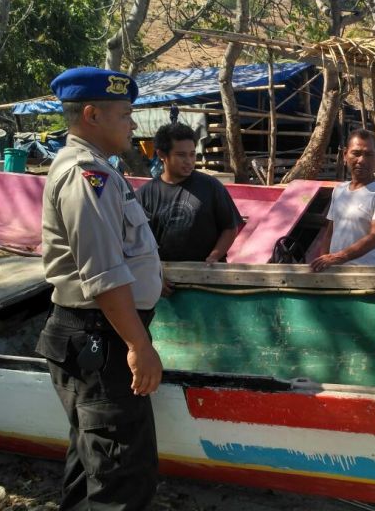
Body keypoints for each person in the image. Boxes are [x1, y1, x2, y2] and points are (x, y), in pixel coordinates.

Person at [36, 67, 163, 509]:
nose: (132, 124)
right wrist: (138, 344)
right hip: (100, 339)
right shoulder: (85, 175)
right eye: (125, 114)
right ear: (92, 114)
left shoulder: (99, 170)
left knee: (93, 460)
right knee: (121, 475)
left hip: (96, 335)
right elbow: (103, 274)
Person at [136, 122, 241, 265]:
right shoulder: (145, 194)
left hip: (207, 277)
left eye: (192, 154)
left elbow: (230, 227)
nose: (189, 161)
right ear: (161, 154)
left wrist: (214, 257)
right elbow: (139, 241)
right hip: (164, 279)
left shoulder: (211, 186)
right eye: (181, 155)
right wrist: (155, 272)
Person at [311, 129, 375, 272]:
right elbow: (330, 232)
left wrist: (336, 258)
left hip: (366, 275)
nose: (362, 160)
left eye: (369, 154)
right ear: (345, 155)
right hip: (335, 275)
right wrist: (324, 261)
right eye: (356, 153)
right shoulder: (339, 190)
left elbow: (374, 237)